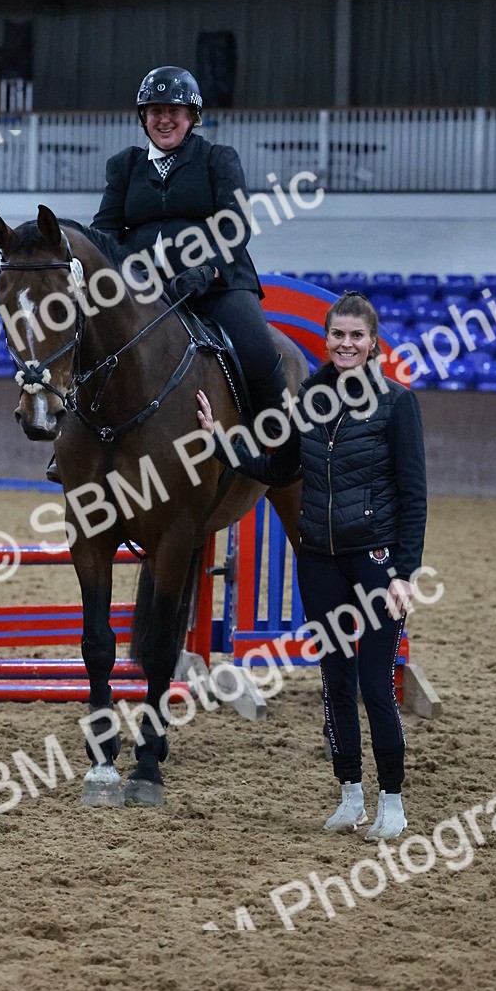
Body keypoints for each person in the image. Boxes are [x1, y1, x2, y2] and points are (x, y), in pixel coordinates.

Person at [197, 291, 428, 841]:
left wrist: (404, 573)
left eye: (356, 336)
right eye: (338, 335)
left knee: (375, 683)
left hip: (375, 562)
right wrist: (221, 443)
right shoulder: (309, 399)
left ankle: (392, 800)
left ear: (372, 343)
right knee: (334, 680)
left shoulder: (397, 403)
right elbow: (278, 470)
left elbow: (414, 495)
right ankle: (350, 794)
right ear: (326, 340)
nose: (346, 344)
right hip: (319, 560)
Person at [91, 65, 288, 423]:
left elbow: (234, 224)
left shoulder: (218, 159)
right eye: (155, 111)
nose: (164, 120)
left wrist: (209, 269)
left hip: (216, 284)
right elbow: (105, 231)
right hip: (145, 288)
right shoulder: (124, 166)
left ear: (192, 116)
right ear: (144, 117)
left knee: (259, 354)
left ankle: (279, 435)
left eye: (174, 111)